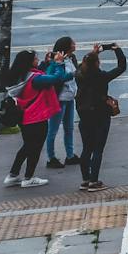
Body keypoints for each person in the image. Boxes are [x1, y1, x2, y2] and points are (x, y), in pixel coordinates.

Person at [3, 50, 71, 188]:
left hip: (24, 117)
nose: (37, 60)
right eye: (35, 58)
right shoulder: (35, 79)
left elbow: (43, 73)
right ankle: (29, 178)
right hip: (36, 118)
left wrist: (48, 63)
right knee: (35, 148)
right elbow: (55, 79)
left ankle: (13, 175)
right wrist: (59, 63)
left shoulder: (20, 76)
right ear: (29, 62)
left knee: (27, 146)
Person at [75, 43, 128, 191]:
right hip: (100, 115)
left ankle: (85, 180)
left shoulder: (79, 75)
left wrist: (94, 53)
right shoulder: (101, 76)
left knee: (86, 148)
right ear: (97, 64)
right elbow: (121, 67)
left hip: (84, 115)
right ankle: (94, 181)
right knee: (98, 149)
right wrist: (117, 50)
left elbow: (82, 64)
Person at [42, 36, 77, 170]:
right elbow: (58, 78)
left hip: (70, 98)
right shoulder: (55, 60)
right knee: (53, 130)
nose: (75, 44)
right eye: (72, 43)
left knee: (69, 128)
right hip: (59, 99)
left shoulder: (71, 58)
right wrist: (68, 71)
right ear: (66, 46)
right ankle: (51, 158)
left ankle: (70, 155)